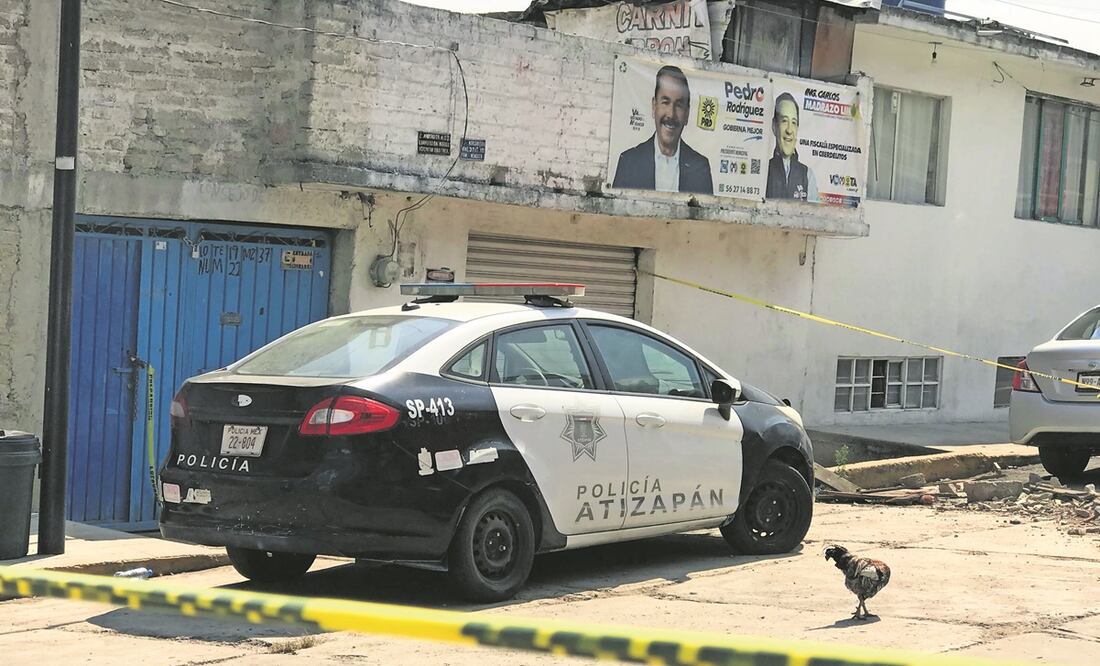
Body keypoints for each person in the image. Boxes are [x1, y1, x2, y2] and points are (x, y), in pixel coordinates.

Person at [612, 65, 713, 195]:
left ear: (687, 114)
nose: (671, 114)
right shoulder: (629, 162)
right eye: (665, 102)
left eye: (679, 105)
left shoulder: (700, 167)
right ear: (654, 107)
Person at [766, 92, 818, 202]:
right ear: (774, 126)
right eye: (784, 121)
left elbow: (814, 216)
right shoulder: (763, 171)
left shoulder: (808, 176)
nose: (789, 130)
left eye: (794, 122)